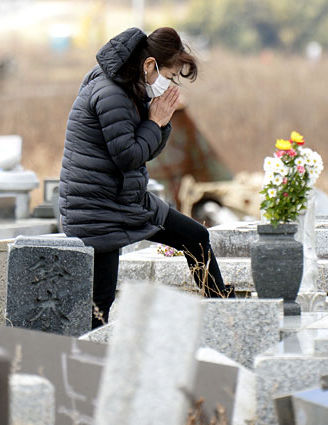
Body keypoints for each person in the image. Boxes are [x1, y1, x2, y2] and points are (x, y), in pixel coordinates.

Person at [59, 27, 234, 329]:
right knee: (100, 301)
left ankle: (224, 315)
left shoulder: (130, 88)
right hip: (97, 208)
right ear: (150, 65)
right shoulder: (111, 94)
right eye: (169, 75)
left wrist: (161, 123)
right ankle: (87, 353)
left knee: (196, 237)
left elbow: (145, 151)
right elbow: (128, 156)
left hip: (127, 200)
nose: (169, 84)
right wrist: (155, 121)